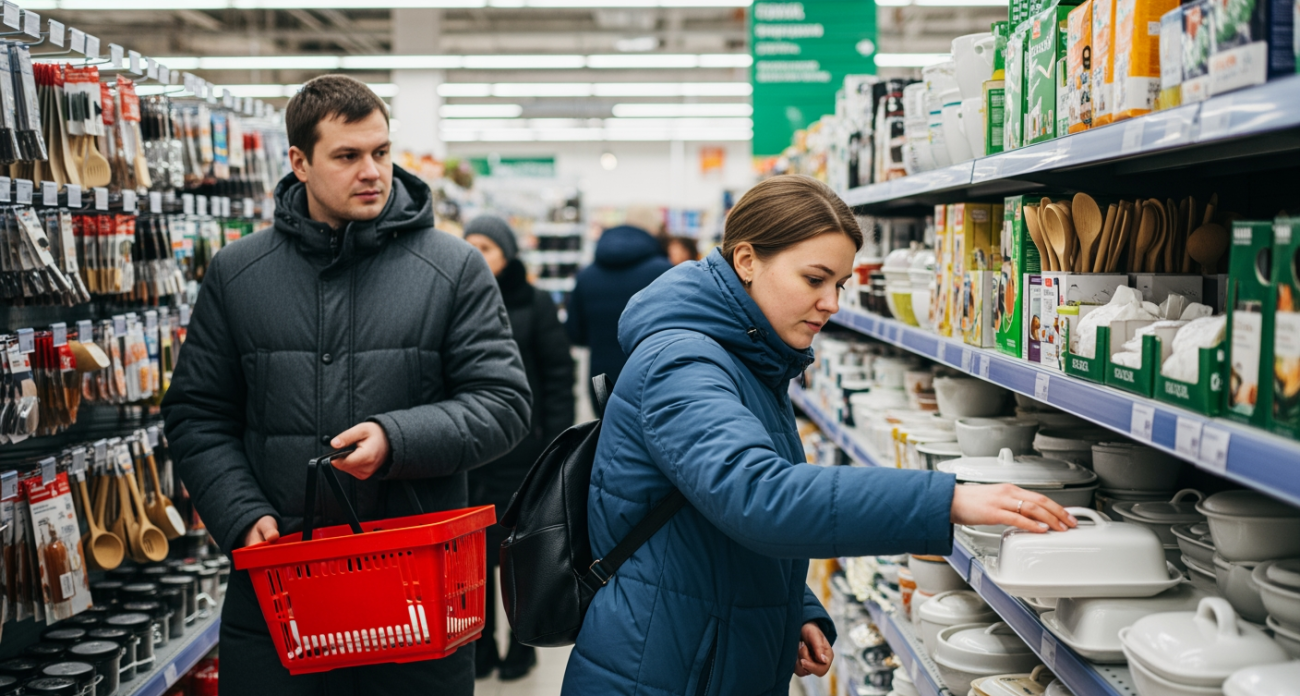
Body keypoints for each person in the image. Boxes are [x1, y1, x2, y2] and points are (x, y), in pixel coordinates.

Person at [561, 175, 1077, 695]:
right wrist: (947, 501)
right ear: (746, 261)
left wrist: (792, 607)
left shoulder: (750, 355)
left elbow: (702, 521)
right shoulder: (682, 362)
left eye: (841, 284)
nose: (832, 302)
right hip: (656, 669)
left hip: (703, 649)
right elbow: (760, 496)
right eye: (814, 279)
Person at [162, 75, 532, 696]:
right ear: (299, 162)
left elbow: (504, 404)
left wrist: (397, 438)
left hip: (417, 599)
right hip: (280, 597)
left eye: (382, 152)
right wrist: (240, 512)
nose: (372, 172)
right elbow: (198, 413)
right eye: (348, 156)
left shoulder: (452, 269)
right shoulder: (237, 273)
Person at [463, 215, 575, 681]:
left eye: (486, 247)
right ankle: (482, 642)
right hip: (472, 450)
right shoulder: (458, 300)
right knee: (473, 557)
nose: (476, 256)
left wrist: (555, 447)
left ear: (507, 254)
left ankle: (521, 644)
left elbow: (557, 377)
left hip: (523, 452)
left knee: (518, 554)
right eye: (470, 246)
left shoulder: (533, 304)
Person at [566, 218, 672, 391]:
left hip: (602, 381)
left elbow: (575, 332)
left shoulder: (586, 276)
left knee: (605, 417)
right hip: (654, 376)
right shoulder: (664, 271)